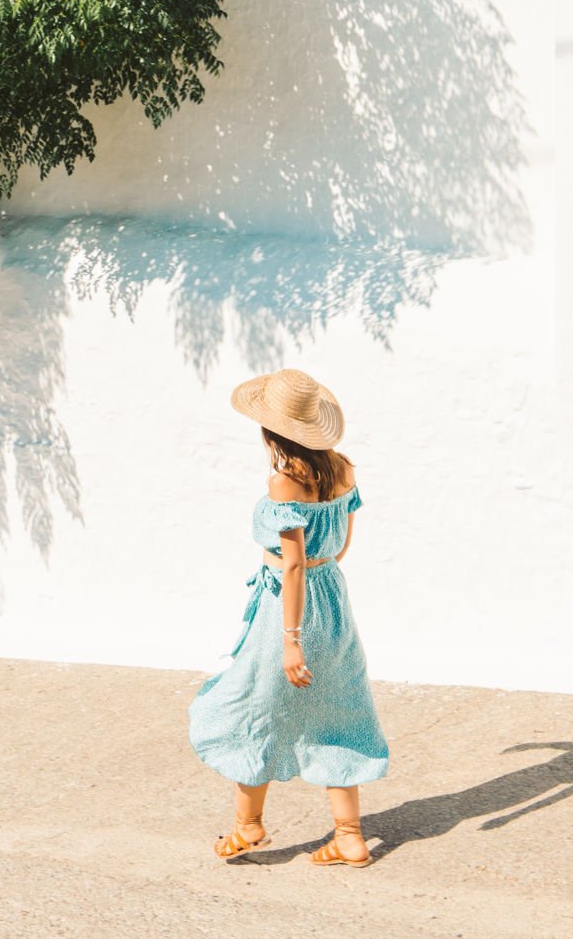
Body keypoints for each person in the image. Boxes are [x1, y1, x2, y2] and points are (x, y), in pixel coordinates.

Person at [188, 367, 389, 866]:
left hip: (287, 606)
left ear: (271, 430)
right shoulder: (342, 468)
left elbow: (294, 563)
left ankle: (248, 826)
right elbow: (340, 544)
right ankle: (349, 836)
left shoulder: (284, 480)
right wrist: (323, 582)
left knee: (252, 707)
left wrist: (291, 638)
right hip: (332, 599)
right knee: (340, 712)